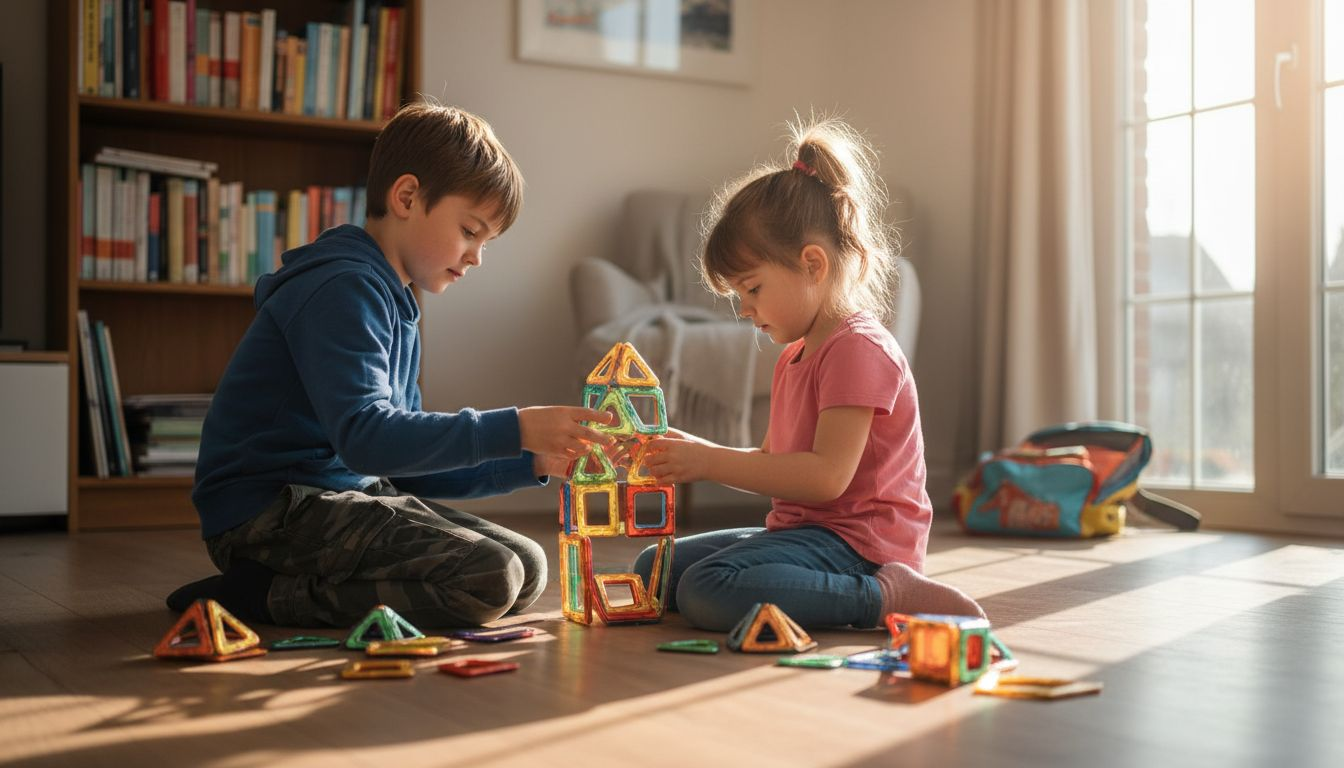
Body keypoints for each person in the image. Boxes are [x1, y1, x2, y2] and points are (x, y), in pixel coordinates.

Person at [171, 102, 613, 629]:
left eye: (486, 242)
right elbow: (368, 438)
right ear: (406, 197)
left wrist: (532, 461)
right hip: (268, 512)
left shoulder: (394, 299)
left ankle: (289, 585)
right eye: (469, 231)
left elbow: (401, 465)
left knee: (528, 568)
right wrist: (516, 426)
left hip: (343, 496)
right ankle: (263, 594)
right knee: (491, 576)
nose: (476, 257)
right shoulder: (343, 287)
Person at [633, 117, 983, 631]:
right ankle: (809, 587)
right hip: (807, 534)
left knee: (706, 588)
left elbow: (824, 478)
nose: (744, 309)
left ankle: (885, 596)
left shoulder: (858, 349)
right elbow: (773, 464)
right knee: (653, 570)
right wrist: (696, 451)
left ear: (813, 265)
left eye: (753, 289)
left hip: (862, 548)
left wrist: (708, 462)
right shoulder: (794, 355)